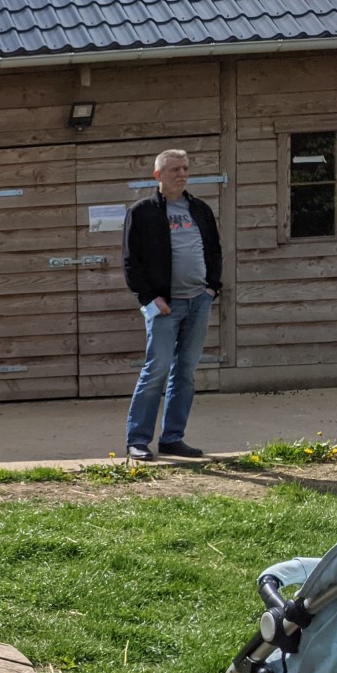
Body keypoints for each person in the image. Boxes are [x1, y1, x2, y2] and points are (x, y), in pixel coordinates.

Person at [122, 149, 222, 461]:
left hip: (198, 302)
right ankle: (137, 440)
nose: (181, 174)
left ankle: (173, 438)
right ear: (158, 176)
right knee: (157, 370)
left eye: (185, 168)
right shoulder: (142, 212)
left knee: (186, 372)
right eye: (174, 169)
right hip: (165, 306)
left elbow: (215, 250)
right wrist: (150, 298)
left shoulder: (200, 210)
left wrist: (211, 290)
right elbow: (130, 261)